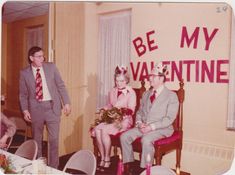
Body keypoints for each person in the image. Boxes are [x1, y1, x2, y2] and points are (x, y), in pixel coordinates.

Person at [120, 62, 179, 171]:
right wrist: (139, 123)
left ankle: (146, 170)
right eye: (149, 76)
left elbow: (169, 119)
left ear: (161, 78)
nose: (149, 78)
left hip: (162, 129)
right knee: (124, 137)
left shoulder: (171, 96)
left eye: (153, 76)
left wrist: (151, 127)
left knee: (146, 140)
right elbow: (139, 112)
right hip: (143, 126)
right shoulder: (146, 94)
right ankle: (130, 167)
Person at [19, 46, 71, 168]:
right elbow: (23, 94)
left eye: (43, 56)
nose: (42, 59)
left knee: (54, 140)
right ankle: (39, 167)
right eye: (39, 56)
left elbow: (61, 86)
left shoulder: (51, 67)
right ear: (31, 58)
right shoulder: (24, 73)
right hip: (36, 109)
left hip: (52, 108)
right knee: (37, 140)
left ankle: (53, 168)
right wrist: (25, 110)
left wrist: (66, 102)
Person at [91, 66, 136, 170]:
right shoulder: (112, 91)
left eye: (121, 81)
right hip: (112, 118)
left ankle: (107, 158)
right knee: (97, 129)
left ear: (126, 81)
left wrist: (119, 113)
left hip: (124, 120)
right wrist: (104, 109)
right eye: (117, 80)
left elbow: (131, 110)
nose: (118, 83)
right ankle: (102, 157)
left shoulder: (131, 93)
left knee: (105, 130)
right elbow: (109, 105)